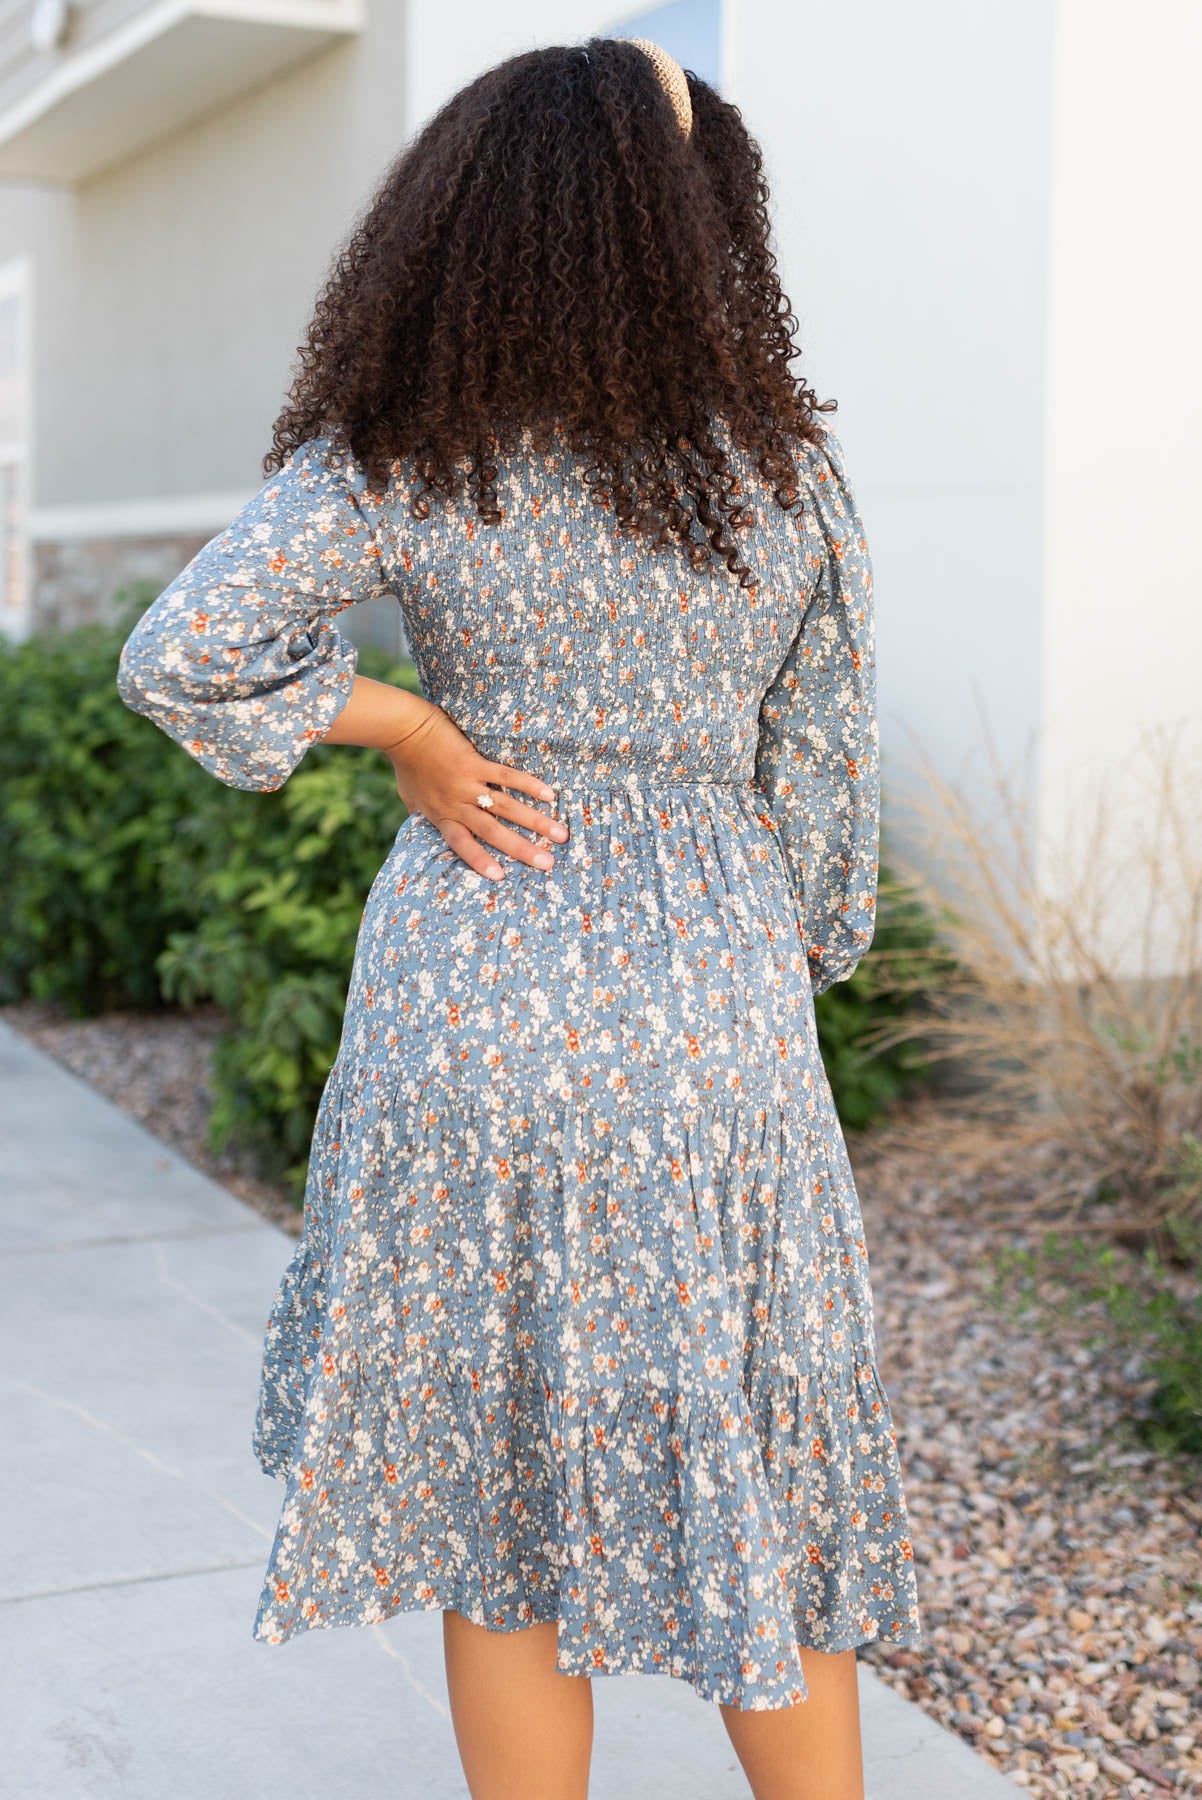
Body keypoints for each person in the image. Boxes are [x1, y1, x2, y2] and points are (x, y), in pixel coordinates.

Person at [116, 36, 921, 1800]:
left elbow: (182, 654)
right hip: (711, 994)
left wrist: (407, 728)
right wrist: (772, 971)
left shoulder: (407, 452)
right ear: (709, 225)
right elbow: (825, 805)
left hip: (477, 972)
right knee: (753, 1450)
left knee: (499, 1479)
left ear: (466, 220)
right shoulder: (782, 474)